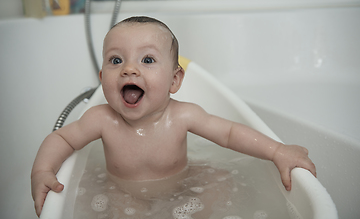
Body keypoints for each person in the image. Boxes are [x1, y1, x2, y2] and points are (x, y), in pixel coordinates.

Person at [31, 16, 316, 217]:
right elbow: (61, 139)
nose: (129, 69)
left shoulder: (183, 115)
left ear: (174, 80)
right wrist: (42, 171)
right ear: (102, 77)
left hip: (185, 183)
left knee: (222, 183)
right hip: (123, 193)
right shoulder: (101, 119)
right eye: (116, 60)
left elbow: (229, 134)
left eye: (148, 60)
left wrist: (277, 150)